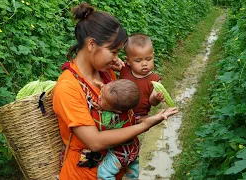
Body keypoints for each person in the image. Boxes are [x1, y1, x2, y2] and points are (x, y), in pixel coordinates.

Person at [53, 3, 178, 180]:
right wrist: (143, 125)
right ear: (91, 44)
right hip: (83, 174)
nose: (116, 58)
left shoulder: (107, 73)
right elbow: (94, 141)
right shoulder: (68, 87)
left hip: (112, 171)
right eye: (113, 51)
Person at [93, 79, 140, 179]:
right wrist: (102, 86)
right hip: (134, 147)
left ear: (116, 111)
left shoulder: (111, 119)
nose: (100, 97)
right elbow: (112, 93)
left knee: (104, 173)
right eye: (102, 93)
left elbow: (97, 124)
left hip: (120, 154)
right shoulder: (127, 109)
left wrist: (92, 107)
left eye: (104, 99)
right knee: (133, 173)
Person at [113, 33, 165, 121]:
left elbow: (152, 102)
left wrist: (156, 98)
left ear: (153, 56)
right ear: (128, 61)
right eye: (138, 60)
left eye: (148, 59)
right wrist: (115, 59)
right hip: (118, 109)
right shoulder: (125, 68)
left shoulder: (155, 80)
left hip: (138, 116)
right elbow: (109, 65)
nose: (144, 64)